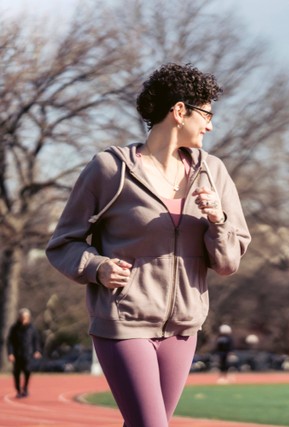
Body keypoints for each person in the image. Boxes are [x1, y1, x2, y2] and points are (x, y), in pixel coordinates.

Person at [45, 63, 251, 427]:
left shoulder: (214, 172)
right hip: (124, 322)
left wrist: (218, 221)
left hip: (184, 329)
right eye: (206, 114)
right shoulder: (111, 169)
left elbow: (227, 263)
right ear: (179, 111)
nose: (211, 125)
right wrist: (97, 267)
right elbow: (63, 244)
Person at [7, 308, 42, 398]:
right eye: (21, 317)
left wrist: (37, 350)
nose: (23, 319)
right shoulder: (14, 328)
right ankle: (18, 390)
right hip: (17, 354)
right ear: (19, 318)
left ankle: (25, 387)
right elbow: (10, 342)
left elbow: (36, 340)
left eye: (25, 317)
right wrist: (10, 353)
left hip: (28, 354)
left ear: (28, 318)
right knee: (16, 373)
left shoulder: (32, 328)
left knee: (27, 371)